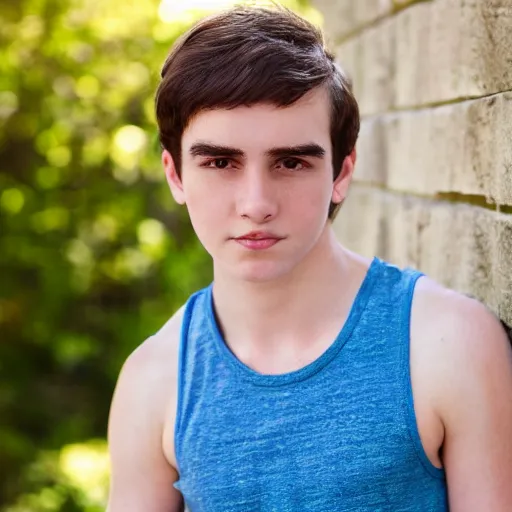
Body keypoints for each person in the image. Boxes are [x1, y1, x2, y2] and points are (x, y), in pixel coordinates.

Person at [106, 5, 512, 511]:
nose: (256, 204)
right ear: (176, 175)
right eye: (220, 162)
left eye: (291, 161)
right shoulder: (154, 380)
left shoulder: (449, 342)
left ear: (342, 172)